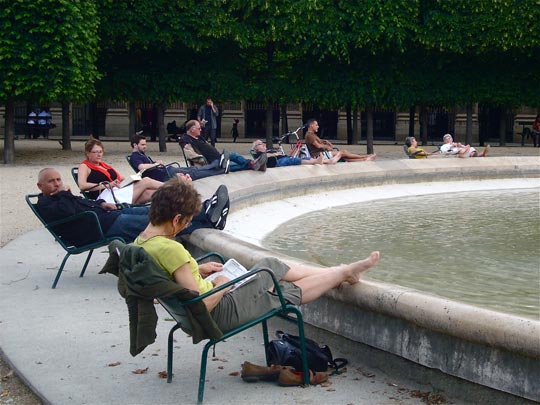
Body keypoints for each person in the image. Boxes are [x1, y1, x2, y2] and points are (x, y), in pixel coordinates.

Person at [134, 178, 381, 334]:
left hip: (196, 315)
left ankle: (341, 271)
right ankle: (343, 272)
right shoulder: (171, 248)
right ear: (176, 218)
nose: (186, 227)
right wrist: (220, 284)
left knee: (270, 269)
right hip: (218, 314)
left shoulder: (142, 243)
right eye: (186, 223)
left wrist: (197, 270)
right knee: (279, 284)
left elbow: (173, 282)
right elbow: (203, 304)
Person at [35, 168, 230, 247]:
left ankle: (205, 210)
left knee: (153, 209)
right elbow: (68, 211)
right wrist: (64, 193)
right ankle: (206, 216)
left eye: (58, 180)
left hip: (108, 215)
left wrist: (101, 203)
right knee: (157, 221)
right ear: (40, 186)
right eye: (51, 181)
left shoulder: (60, 198)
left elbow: (82, 203)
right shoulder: (46, 204)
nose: (57, 184)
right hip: (102, 227)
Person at [77, 136, 163, 205]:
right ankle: (173, 187)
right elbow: (82, 185)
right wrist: (106, 185)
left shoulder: (104, 165)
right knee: (146, 181)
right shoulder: (85, 166)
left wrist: (131, 180)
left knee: (150, 193)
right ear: (88, 153)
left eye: (101, 151)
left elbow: (121, 178)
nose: (99, 154)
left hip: (117, 191)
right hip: (107, 197)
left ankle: (174, 193)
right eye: (95, 152)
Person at [129, 134, 228, 182]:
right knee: (194, 172)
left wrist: (157, 162)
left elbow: (148, 165)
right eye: (142, 145)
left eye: (145, 144)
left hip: (167, 170)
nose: (145, 146)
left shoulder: (142, 154)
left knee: (193, 169)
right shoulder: (135, 157)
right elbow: (141, 167)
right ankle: (219, 166)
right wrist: (155, 164)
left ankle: (218, 165)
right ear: (134, 145)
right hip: (165, 175)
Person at [180, 120, 267, 172]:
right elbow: (190, 155)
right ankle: (253, 164)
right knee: (232, 165)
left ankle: (253, 164)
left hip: (219, 157)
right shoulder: (187, 140)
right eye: (199, 128)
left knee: (234, 155)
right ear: (192, 130)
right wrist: (204, 161)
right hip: (213, 162)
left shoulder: (197, 137)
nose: (201, 130)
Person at [304, 119, 376, 162]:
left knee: (344, 155)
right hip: (320, 155)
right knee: (343, 152)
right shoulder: (309, 135)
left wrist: (326, 142)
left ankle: (364, 158)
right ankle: (364, 157)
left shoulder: (311, 134)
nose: (318, 126)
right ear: (311, 125)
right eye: (316, 125)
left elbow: (319, 142)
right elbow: (318, 146)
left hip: (322, 154)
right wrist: (327, 147)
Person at [251, 139, 337, 167]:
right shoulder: (258, 154)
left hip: (283, 159)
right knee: (294, 161)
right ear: (256, 148)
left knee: (299, 159)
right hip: (278, 162)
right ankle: (318, 161)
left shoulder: (268, 150)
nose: (263, 144)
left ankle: (321, 161)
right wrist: (274, 154)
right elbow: (261, 158)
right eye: (260, 144)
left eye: (263, 143)